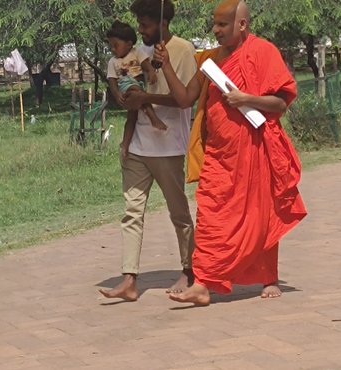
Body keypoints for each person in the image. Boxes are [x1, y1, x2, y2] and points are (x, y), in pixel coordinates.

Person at [153, 0, 307, 306]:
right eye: (215, 24)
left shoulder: (263, 52)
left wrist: (247, 98)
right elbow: (184, 99)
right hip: (220, 155)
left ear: (242, 25)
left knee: (259, 214)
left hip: (255, 150)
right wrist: (166, 64)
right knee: (210, 212)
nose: (216, 30)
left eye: (223, 24)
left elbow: (280, 104)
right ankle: (204, 283)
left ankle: (269, 277)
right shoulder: (209, 61)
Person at [99, 0, 197, 301]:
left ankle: (190, 269)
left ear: (162, 22)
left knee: (179, 213)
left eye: (145, 25)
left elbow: (185, 100)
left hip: (168, 147)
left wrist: (148, 95)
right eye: (139, 25)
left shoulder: (184, 50)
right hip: (139, 145)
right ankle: (129, 279)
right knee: (131, 212)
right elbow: (128, 85)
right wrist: (127, 98)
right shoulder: (138, 51)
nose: (140, 30)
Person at [106, 20, 167, 158]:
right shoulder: (113, 61)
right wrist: (116, 95)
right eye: (111, 46)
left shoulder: (137, 53)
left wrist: (151, 72)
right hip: (126, 86)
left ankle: (125, 144)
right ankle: (153, 118)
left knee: (131, 117)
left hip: (139, 85)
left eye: (116, 45)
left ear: (128, 44)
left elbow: (146, 65)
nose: (113, 49)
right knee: (137, 92)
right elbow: (112, 81)